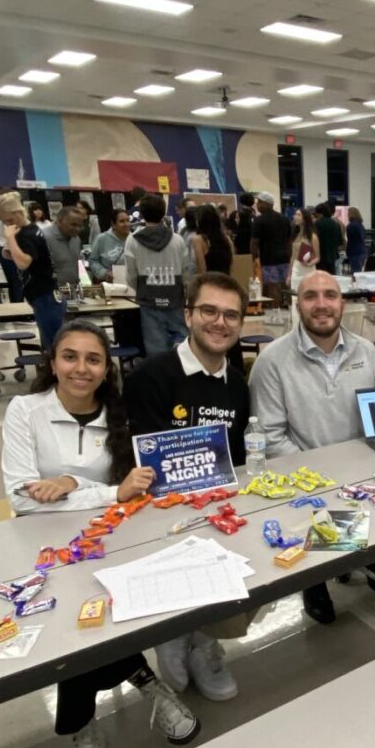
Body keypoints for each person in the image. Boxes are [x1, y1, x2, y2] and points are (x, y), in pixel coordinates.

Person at [2, 320, 199, 748]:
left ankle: (92, 714)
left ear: (105, 367)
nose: (81, 368)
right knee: (75, 625)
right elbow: (21, 497)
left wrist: (76, 487)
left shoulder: (119, 413)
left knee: (108, 613)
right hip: (42, 544)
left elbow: (133, 492)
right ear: (52, 361)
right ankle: (137, 688)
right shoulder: (24, 410)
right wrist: (101, 490)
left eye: (93, 359)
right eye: (70, 356)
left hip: (103, 538)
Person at [123, 273, 251, 702]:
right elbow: (143, 467)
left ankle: (204, 641)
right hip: (160, 516)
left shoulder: (237, 384)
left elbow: (235, 461)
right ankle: (174, 633)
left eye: (231, 314)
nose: (220, 322)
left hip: (216, 507)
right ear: (188, 315)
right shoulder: (149, 376)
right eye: (209, 311)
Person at [250, 270, 375, 625]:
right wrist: (320, 480)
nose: (322, 304)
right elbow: (271, 437)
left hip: (361, 471)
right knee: (319, 518)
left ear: (343, 303)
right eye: (311, 296)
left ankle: (370, 559)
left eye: (330, 295)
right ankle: (315, 581)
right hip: (304, 480)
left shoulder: (368, 352)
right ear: (298, 304)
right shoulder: (272, 361)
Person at [0, 191, 64, 350]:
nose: (8, 226)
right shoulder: (31, 229)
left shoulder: (28, 234)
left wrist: (10, 238)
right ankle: (48, 369)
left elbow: (23, 263)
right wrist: (12, 247)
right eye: (5, 223)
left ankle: (53, 373)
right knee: (50, 340)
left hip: (45, 295)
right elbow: (32, 258)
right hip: (42, 293)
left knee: (53, 343)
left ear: (19, 213)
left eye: (9, 221)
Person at [124, 193, 189, 355]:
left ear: (142, 214)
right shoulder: (177, 240)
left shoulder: (132, 240)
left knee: (155, 345)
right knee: (181, 337)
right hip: (174, 295)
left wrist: (139, 287)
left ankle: (160, 375)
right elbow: (186, 271)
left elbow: (131, 273)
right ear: (164, 212)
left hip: (148, 297)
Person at [250, 191, 291, 309]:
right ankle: (288, 306)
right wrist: (289, 256)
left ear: (266, 204)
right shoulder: (284, 219)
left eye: (259, 202)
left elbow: (254, 242)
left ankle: (275, 311)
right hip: (284, 257)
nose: (257, 205)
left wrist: (253, 258)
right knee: (285, 285)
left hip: (269, 259)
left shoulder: (259, 220)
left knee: (273, 286)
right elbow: (289, 241)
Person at [42, 205, 84, 288]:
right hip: (51, 291)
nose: (77, 229)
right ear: (59, 222)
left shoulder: (76, 238)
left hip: (73, 290)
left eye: (80, 226)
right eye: (73, 225)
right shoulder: (43, 237)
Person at [88, 209, 131, 283]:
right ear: (113, 224)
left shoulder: (135, 239)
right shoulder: (101, 239)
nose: (126, 224)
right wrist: (104, 273)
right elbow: (93, 261)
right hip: (108, 283)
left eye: (128, 220)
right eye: (122, 221)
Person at [193, 203, 234, 277]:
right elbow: (231, 266)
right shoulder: (227, 239)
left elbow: (202, 269)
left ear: (200, 221)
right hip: (226, 282)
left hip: (210, 283)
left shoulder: (198, 240)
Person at [287, 208, 321, 293]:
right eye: (295, 214)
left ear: (305, 218)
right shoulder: (295, 235)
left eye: (298, 215)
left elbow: (317, 257)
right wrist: (289, 275)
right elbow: (292, 257)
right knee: (295, 293)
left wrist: (310, 263)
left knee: (309, 293)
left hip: (308, 268)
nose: (295, 216)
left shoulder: (312, 237)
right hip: (296, 267)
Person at [315, 201, 344, 274]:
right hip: (332, 256)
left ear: (320, 213)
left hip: (320, 257)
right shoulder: (336, 224)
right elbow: (340, 242)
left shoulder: (317, 224)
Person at [345, 207, 367, 273]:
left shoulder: (351, 226)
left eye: (348, 213)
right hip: (362, 251)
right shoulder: (361, 225)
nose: (347, 215)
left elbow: (350, 239)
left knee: (355, 272)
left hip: (354, 252)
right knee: (358, 271)